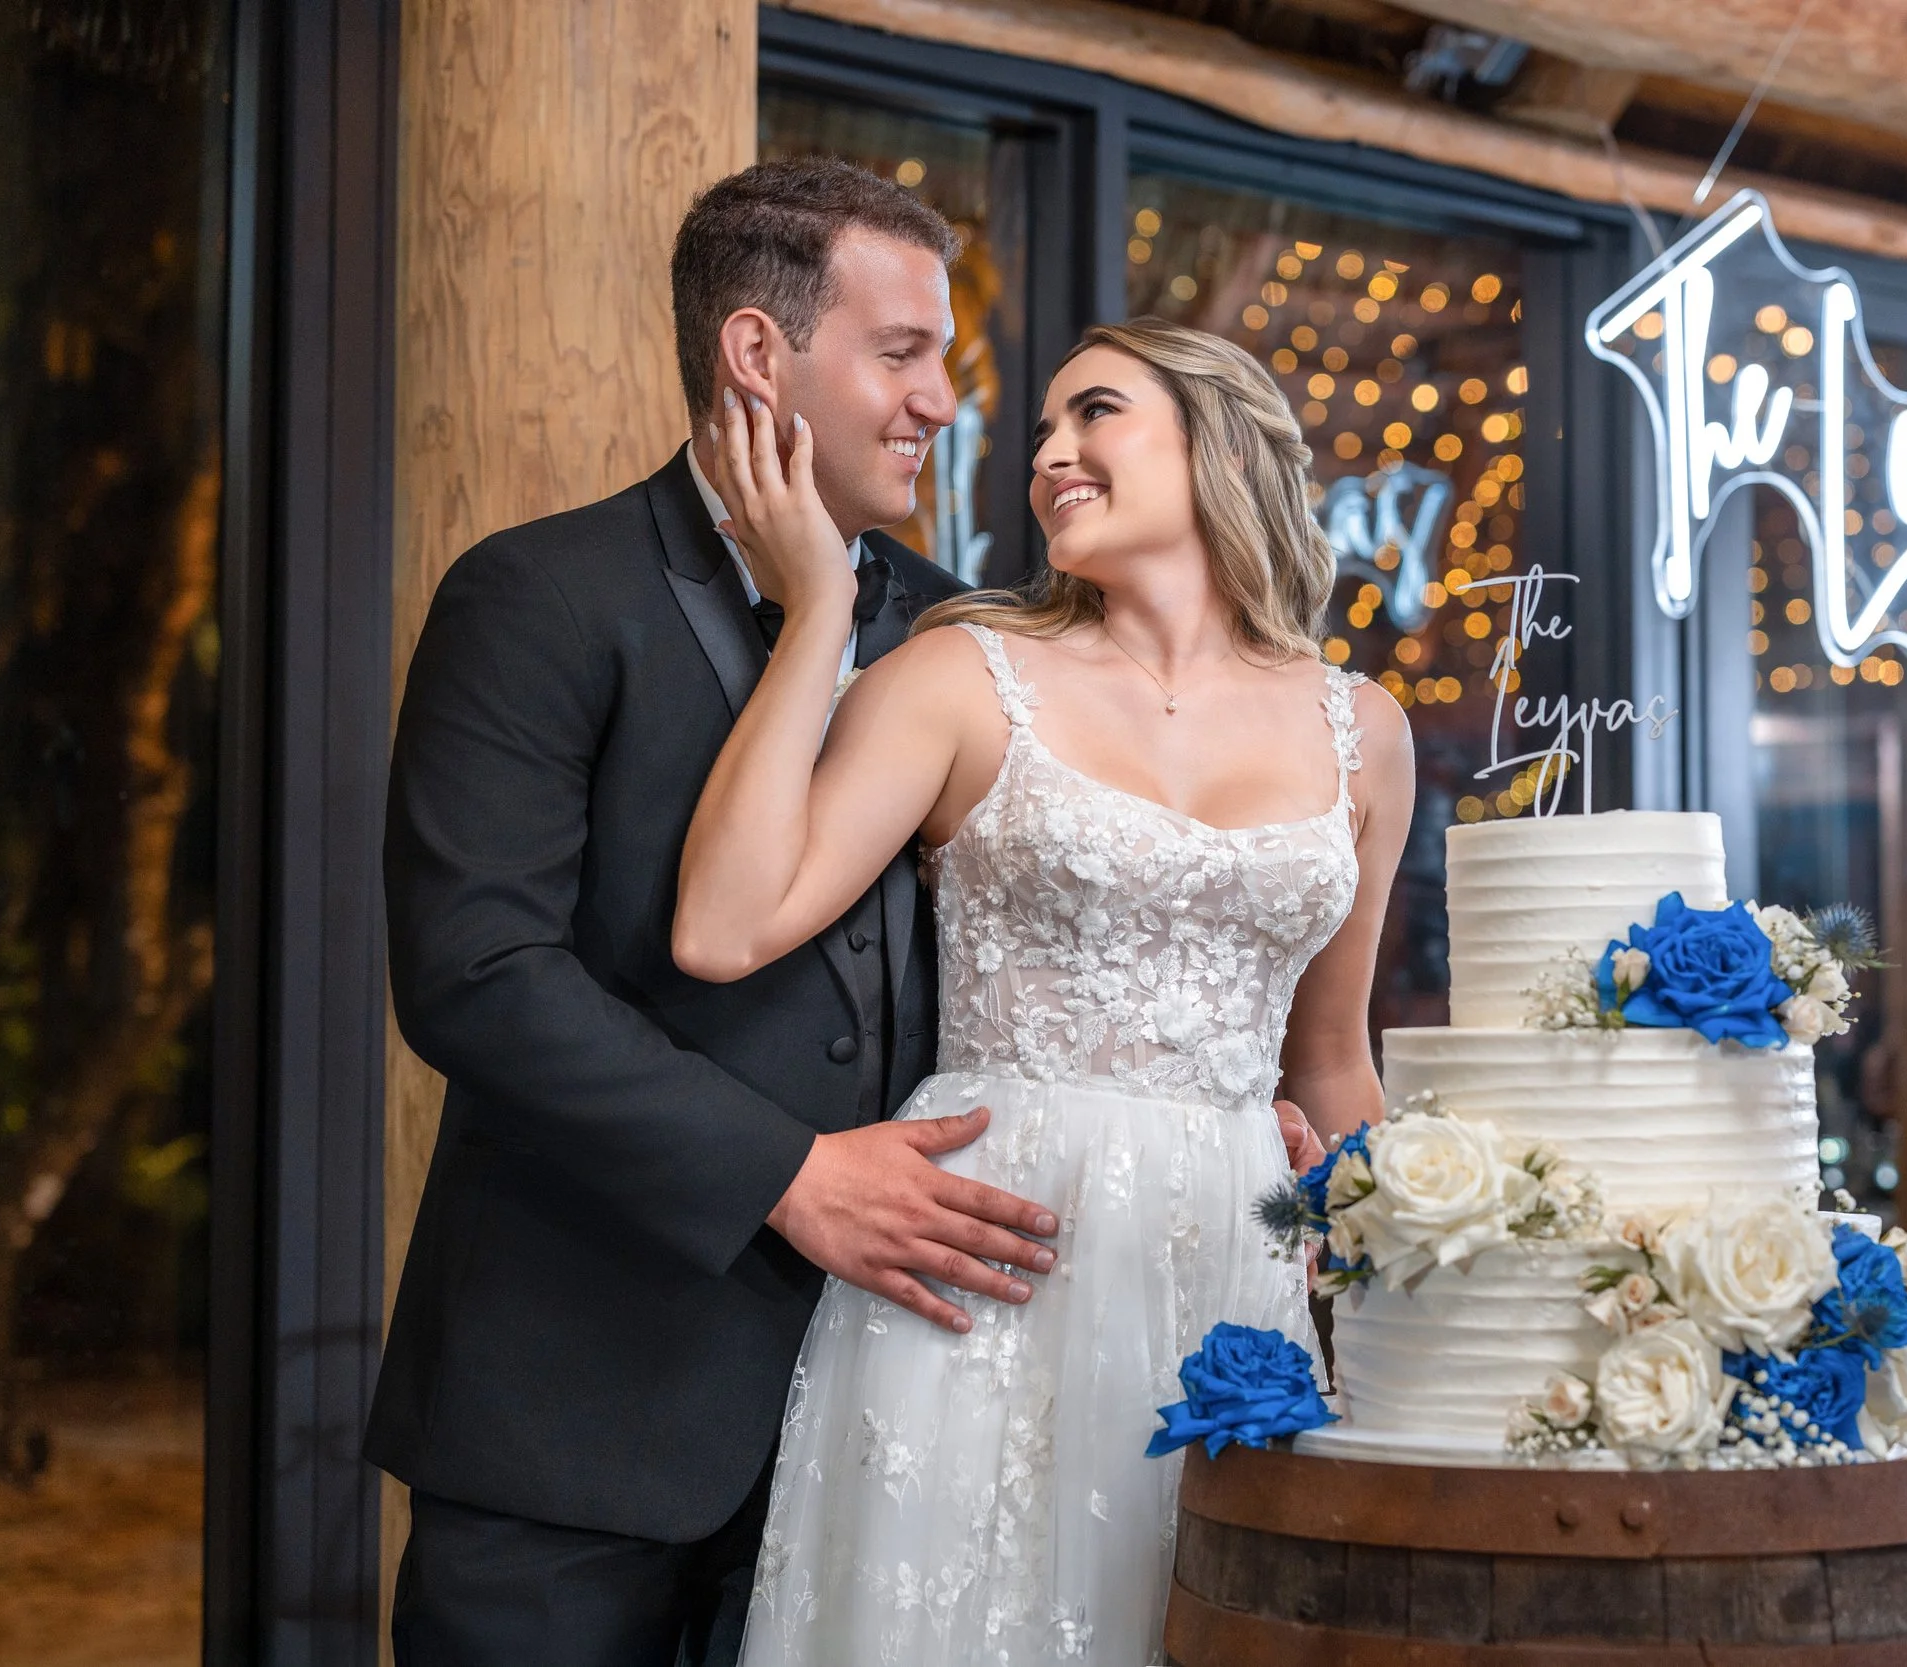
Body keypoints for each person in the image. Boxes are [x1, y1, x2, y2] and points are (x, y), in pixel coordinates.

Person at [372, 158, 1036, 1665]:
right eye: (903, 352)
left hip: (880, 1408)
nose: (942, 399)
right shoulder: (536, 595)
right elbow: (476, 974)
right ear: (758, 351)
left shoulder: (952, 630)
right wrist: (783, 1170)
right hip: (571, 1419)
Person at [673, 317, 1413, 1664]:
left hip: (1236, 1276)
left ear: (1220, 443)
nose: (1050, 455)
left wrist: (1401, 1307)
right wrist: (818, 615)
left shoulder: (1364, 730)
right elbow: (725, 926)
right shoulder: (963, 677)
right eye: (1044, 433)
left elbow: (1333, 1063)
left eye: (1097, 415)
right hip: (992, 1261)